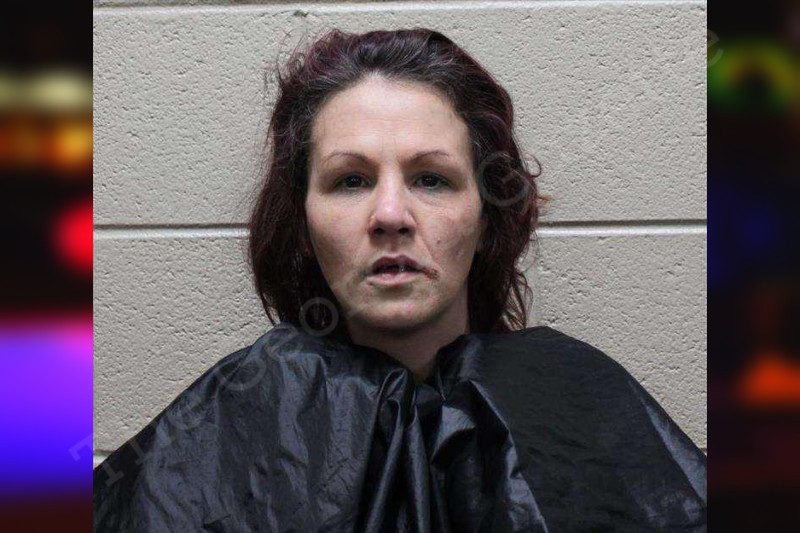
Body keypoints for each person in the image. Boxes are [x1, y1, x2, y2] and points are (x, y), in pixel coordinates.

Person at [93, 28, 707, 532]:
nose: (390, 215)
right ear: (302, 223)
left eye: (431, 179)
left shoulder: (578, 407)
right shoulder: (231, 426)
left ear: (486, 218)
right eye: (350, 181)